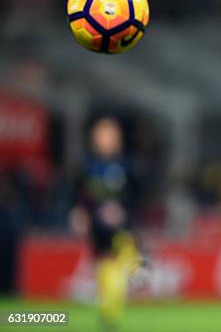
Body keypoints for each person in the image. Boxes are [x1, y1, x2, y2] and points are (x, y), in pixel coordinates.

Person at [69, 116, 142, 329]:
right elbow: (78, 194)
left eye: (110, 134)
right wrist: (78, 212)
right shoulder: (87, 165)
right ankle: (108, 312)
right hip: (97, 229)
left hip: (121, 229)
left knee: (120, 265)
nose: (106, 139)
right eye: (102, 134)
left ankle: (111, 313)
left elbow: (138, 195)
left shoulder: (127, 165)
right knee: (104, 270)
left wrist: (122, 210)